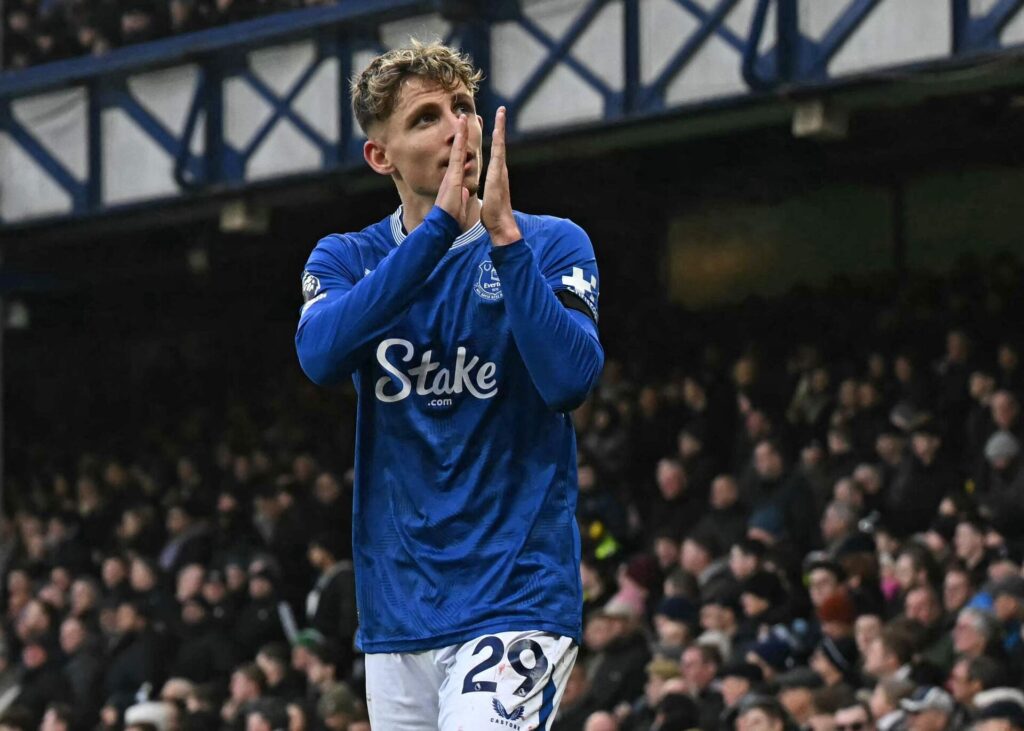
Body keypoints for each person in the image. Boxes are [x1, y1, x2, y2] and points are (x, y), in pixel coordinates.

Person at [294, 41, 603, 728]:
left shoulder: (551, 243)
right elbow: (320, 356)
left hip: (516, 594)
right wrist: (437, 232)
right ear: (382, 156)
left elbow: (569, 379)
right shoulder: (344, 258)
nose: (457, 127)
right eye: (427, 117)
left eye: (463, 107)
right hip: (399, 612)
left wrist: (503, 239)